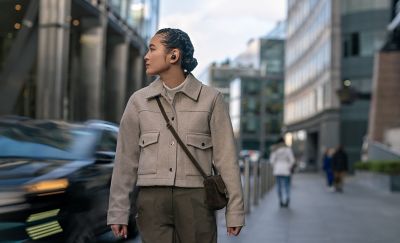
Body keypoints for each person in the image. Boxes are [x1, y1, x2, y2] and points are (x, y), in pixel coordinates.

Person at [107, 28, 244, 243]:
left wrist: (235, 211)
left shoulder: (211, 99)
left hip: (197, 200)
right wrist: (118, 211)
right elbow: (125, 161)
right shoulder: (138, 101)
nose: (146, 56)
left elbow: (227, 160)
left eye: (152, 49)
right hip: (152, 203)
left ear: (174, 56)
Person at [269, 137, 295, 208]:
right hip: (286, 170)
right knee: (287, 186)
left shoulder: (275, 150)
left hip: (277, 170)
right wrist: (289, 167)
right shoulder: (288, 150)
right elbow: (292, 160)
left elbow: (271, 161)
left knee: (279, 186)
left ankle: (280, 200)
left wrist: (275, 167)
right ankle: (287, 199)